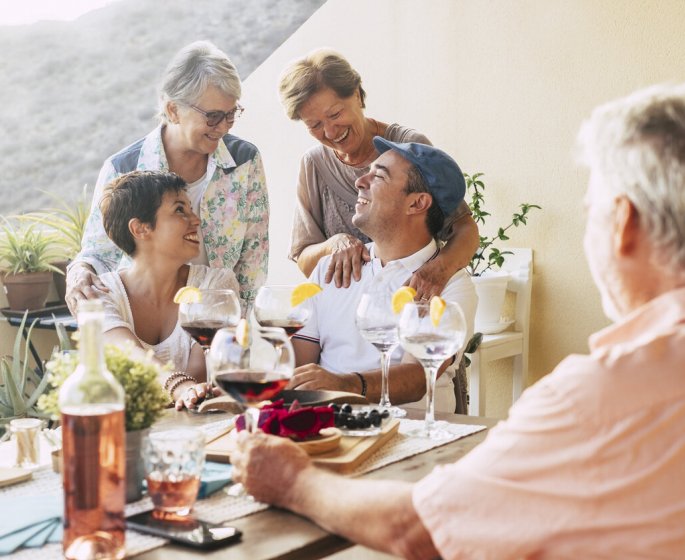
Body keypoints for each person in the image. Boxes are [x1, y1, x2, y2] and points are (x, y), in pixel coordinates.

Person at [232, 84, 685, 558]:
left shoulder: (598, 399)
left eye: (589, 211)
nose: (361, 181)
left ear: (623, 224)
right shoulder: (335, 266)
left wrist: (292, 482)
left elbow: (420, 528)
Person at [66, 40, 268, 315]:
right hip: (143, 321)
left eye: (231, 114)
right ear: (173, 110)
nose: (222, 127)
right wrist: (79, 273)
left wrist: (237, 327)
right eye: (212, 116)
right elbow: (97, 253)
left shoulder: (245, 161)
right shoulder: (124, 167)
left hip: (216, 325)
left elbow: (253, 259)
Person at [289, 139, 477, 410]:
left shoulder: (451, 286)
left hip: (411, 438)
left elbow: (418, 378)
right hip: (328, 432)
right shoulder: (331, 268)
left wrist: (344, 386)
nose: (360, 181)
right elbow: (298, 364)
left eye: (378, 176)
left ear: (417, 203)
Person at [279, 49, 479, 298]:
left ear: (357, 95)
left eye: (335, 114)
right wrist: (335, 244)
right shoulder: (313, 164)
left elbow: (465, 231)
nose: (329, 132)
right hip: (347, 307)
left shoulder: (406, 147)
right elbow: (306, 261)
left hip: (408, 300)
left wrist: (435, 273)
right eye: (315, 125)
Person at [98, 170, 237, 410]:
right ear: (140, 229)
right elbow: (130, 355)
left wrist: (187, 390)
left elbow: (201, 380)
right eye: (180, 210)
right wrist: (179, 387)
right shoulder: (101, 293)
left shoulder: (216, 285)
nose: (196, 220)